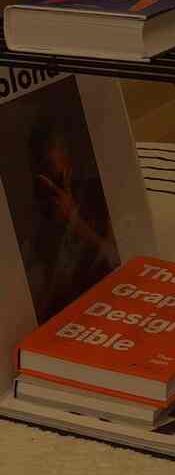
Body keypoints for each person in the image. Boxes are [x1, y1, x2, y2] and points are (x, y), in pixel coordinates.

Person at [23, 117, 119, 323]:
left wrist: (75, 220)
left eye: (59, 152)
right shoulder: (38, 227)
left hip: (109, 302)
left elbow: (118, 258)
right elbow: (39, 309)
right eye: (44, 165)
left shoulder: (98, 195)